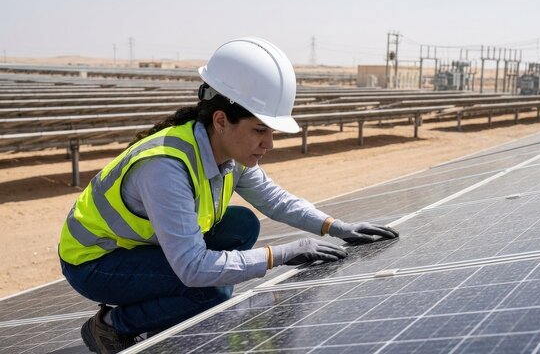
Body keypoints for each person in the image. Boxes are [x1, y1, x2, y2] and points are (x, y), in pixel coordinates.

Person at [58, 37, 399, 353]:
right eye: (260, 130)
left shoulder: (228, 152)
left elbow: (275, 200)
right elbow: (193, 268)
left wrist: (336, 227)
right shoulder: (164, 167)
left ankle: (161, 302)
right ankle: (111, 325)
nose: (268, 144)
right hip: (96, 262)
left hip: (139, 249)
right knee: (210, 289)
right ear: (221, 120)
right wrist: (281, 253)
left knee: (242, 224)